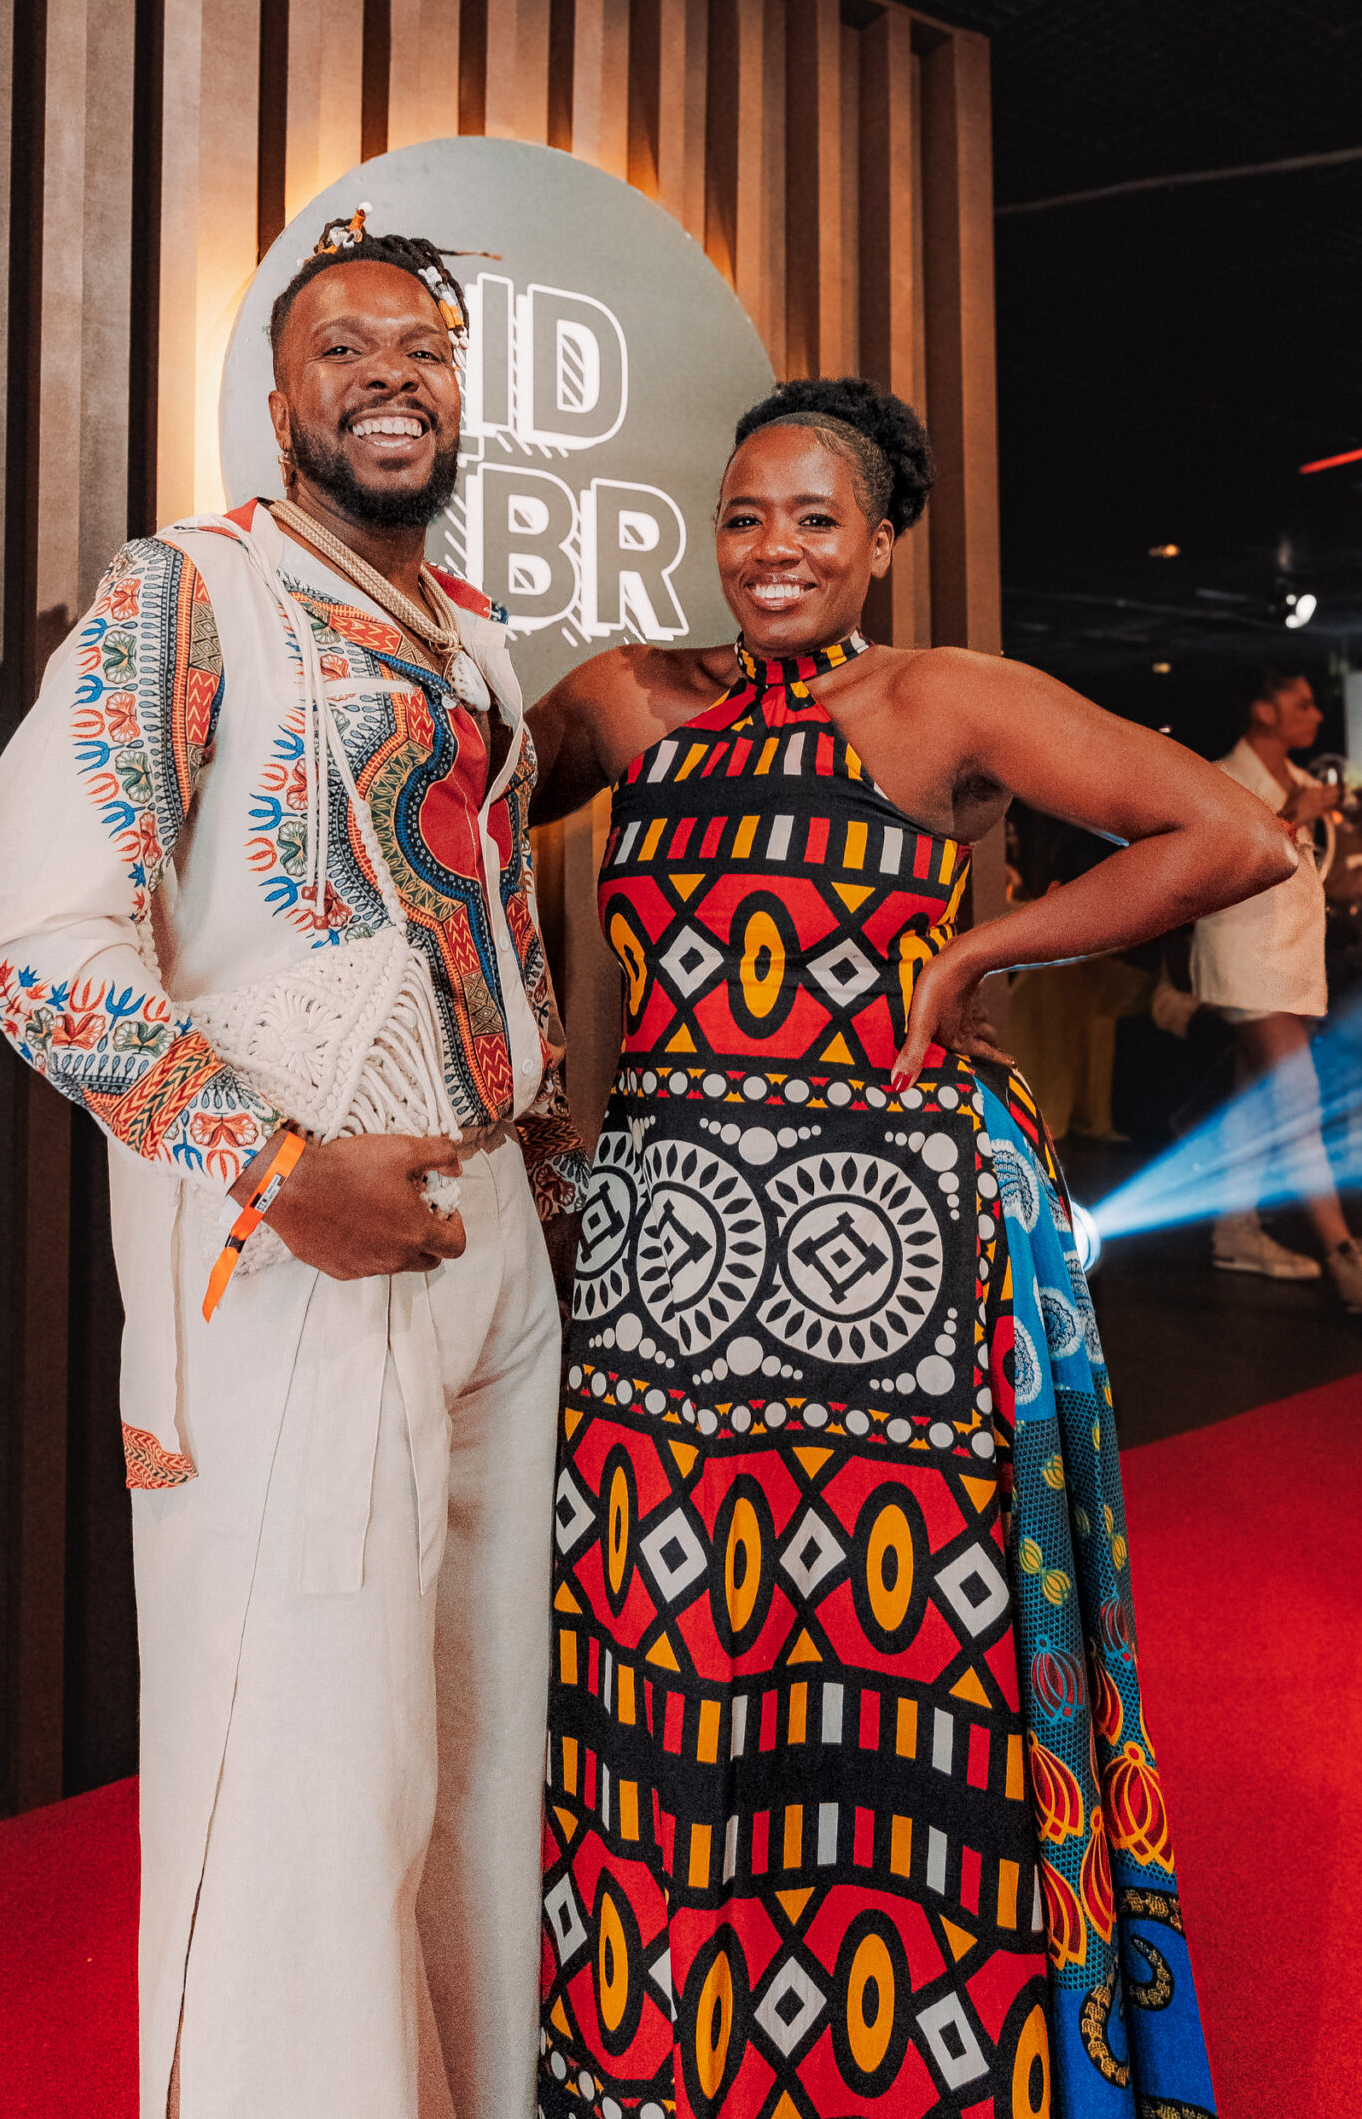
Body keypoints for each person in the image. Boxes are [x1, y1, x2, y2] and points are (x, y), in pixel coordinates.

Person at [526, 377, 1286, 2119]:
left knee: (890, 1673)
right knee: (671, 1651)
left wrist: (978, 955)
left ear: (878, 544)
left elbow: (1230, 837)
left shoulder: (941, 699)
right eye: (742, 518)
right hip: (666, 1270)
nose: (771, 551)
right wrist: (536, 1094)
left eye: (814, 520)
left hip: (901, 1272)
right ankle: (674, 2057)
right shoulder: (629, 697)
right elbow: (457, 815)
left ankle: (909, 2071)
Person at [0, 212, 586, 2118]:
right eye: (345, 349)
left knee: (479, 1743)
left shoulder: (470, 628)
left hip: (485, 1236)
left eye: (424, 349)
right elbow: (32, 949)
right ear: (279, 394)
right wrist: (269, 1162)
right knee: (305, 1764)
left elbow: (470, 895)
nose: (390, 375)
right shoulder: (191, 592)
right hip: (297, 1250)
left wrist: (534, 1116)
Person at [1190, 669, 1362, 1302]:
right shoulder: (1224, 777)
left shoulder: (1304, 782)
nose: (1316, 714)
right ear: (1264, 711)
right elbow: (1220, 865)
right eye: (1303, 704)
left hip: (1291, 960)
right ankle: (1344, 1254)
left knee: (1255, 1095)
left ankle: (1234, 1230)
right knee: (1298, 1098)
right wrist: (1293, 815)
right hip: (1245, 958)